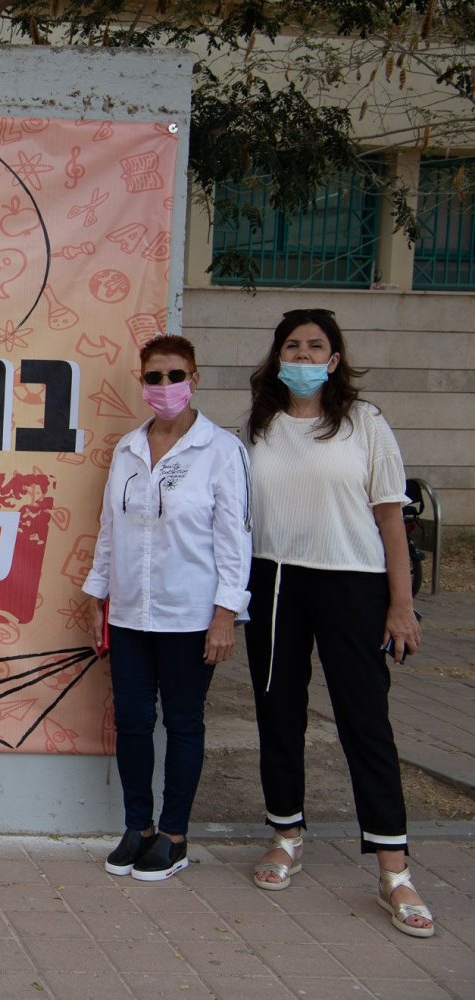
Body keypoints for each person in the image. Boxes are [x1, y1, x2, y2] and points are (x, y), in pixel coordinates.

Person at [242, 308, 432, 937]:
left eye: (314, 346)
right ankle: (285, 834)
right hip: (275, 580)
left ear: (334, 359)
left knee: (364, 720)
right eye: (291, 346)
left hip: (353, 582)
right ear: (277, 357)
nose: (302, 355)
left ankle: (393, 869)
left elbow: (390, 520)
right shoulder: (259, 426)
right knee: (278, 711)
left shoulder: (364, 423)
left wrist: (400, 605)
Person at [83, 335, 251, 882]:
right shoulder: (128, 449)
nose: (165, 386)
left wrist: (226, 614)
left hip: (190, 616)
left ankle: (175, 836)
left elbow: (235, 539)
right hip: (131, 613)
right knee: (132, 722)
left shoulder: (221, 451)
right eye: (154, 377)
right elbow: (110, 527)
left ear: (193, 378)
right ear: (143, 381)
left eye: (175, 375)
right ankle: (139, 827)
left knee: (182, 722)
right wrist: (97, 594)